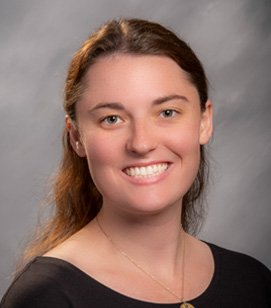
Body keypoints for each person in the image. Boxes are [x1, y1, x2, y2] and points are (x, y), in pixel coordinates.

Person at [1, 18, 270, 308]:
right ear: (77, 137)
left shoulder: (254, 281)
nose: (141, 144)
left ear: (204, 122)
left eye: (167, 112)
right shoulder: (45, 298)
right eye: (112, 119)